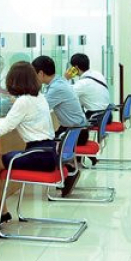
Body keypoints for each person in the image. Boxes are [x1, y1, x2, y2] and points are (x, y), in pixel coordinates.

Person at [0, 62, 56, 232]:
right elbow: (12, 122)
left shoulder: (23, 101)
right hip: (48, 152)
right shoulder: (38, 97)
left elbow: (2, 129)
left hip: (38, 155)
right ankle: (1, 211)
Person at [32, 55, 89, 197]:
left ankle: (69, 169)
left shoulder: (57, 87)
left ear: (41, 73)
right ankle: (69, 168)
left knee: (41, 144)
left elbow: (40, 108)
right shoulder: (59, 82)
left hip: (74, 133)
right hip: (76, 130)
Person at [65, 53, 110, 119]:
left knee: (70, 118)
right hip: (107, 115)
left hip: (96, 117)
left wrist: (66, 78)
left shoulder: (82, 83)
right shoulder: (97, 74)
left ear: (76, 68)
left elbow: (65, 95)